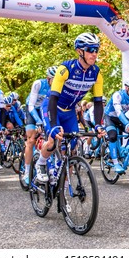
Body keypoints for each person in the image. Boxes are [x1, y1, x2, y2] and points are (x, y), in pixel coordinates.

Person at [35, 32, 105, 182]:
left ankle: (63, 187)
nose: (94, 54)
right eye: (90, 50)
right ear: (80, 51)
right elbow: (53, 98)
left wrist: (98, 125)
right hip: (52, 107)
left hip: (70, 112)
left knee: (73, 148)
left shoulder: (96, 74)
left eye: (96, 50)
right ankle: (40, 163)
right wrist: (53, 125)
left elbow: (98, 102)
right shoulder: (65, 69)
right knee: (53, 140)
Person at [23, 65, 58, 183]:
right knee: (31, 139)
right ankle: (27, 171)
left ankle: (49, 165)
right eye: (54, 78)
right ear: (48, 78)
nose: (56, 81)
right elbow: (32, 105)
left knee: (51, 137)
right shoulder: (38, 84)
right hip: (32, 109)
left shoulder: (59, 86)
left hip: (45, 110)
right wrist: (38, 120)